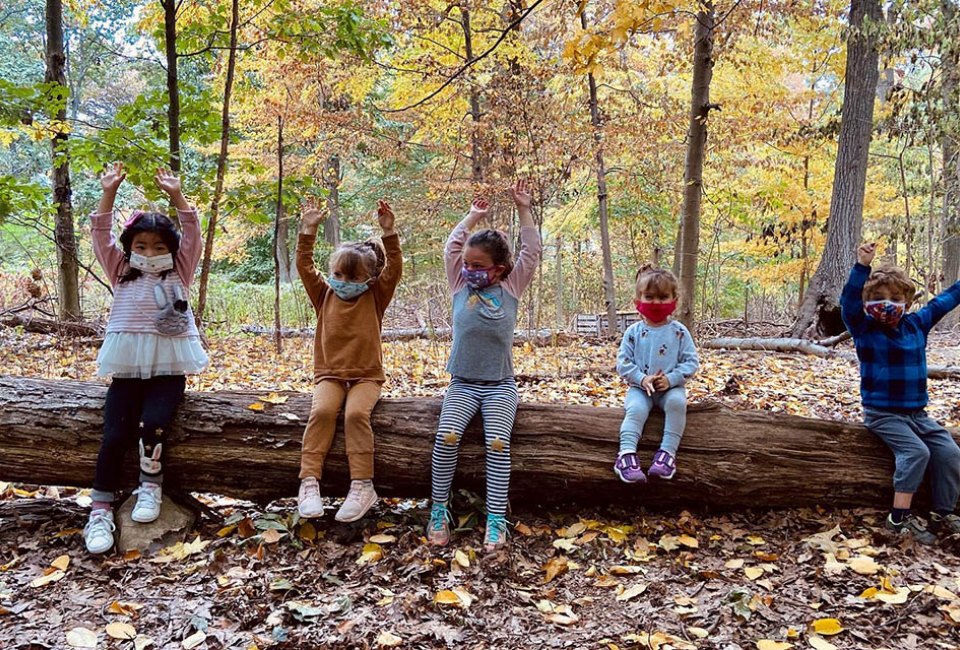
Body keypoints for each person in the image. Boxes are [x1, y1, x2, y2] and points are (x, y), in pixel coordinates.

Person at [85, 162, 208, 554]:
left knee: (153, 424)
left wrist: (177, 195)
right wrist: (108, 192)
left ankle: (149, 487)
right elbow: (100, 233)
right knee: (115, 434)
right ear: (130, 247)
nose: (149, 252)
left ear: (170, 250)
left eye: (158, 246)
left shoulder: (180, 271)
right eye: (141, 245)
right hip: (127, 366)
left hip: (169, 365)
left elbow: (193, 236)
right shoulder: (120, 270)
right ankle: (101, 509)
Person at [426, 179, 542, 551]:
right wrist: (473, 216)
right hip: (462, 383)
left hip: (500, 385)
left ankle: (495, 518)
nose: (470, 269)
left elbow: (532, 252)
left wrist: (524, 208)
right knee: (446, 439)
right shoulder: (460, 284)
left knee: (497, 444)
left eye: (479, 265)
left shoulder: (510, 288)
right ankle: (439, 510)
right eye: (467, 264)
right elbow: (451, 247)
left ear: (499, 269)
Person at [841, 241, 960, 543]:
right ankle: (898, 518)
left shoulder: (916, 324)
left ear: (907, 301)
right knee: (915, 451)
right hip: (883, 414)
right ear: (868, 302)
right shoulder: (864, 328)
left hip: (917, 413)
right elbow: (849, 304)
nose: (887, 303)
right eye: (879, 298)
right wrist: (862, 266)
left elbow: (944, 300)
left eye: (895, 298)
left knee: (948, 451)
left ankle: (943, 513)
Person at [295, 200, 402, 523]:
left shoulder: (375, 296)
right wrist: (308, 230)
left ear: (368, 279)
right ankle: (309, 481)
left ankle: (362, 485)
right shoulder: (324, 294)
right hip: (329, 374)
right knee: (323, 412)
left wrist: (389, 232)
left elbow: (394, 268)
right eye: (337, 273)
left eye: (351, 277)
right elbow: (304, 265)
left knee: (356, 414)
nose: (342, 281)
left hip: (367, 376)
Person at [614, 264, 699, 484]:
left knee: (677, 404)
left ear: (674, 300)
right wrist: (642, 378)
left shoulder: (679, 331)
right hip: (640, 389)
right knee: (635, 409)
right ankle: (625, 454)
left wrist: (671, 379)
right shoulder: (633, 332)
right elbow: (623, 363)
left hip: (671, 389)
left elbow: (691, 362)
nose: (656, 303)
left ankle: (667, 454)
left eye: (663, 297)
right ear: (637, 301)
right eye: (649, 297)